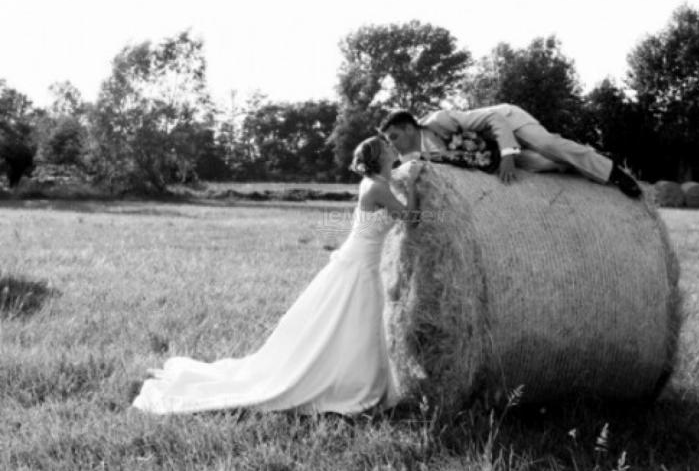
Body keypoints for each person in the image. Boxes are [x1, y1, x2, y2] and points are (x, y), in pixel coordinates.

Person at [132, 136, 420, 415]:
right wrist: (417, 183)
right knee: (356, 322)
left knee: (353, 323)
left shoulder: (377, 183)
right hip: (360, 264)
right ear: (379, 156)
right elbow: (412, 217)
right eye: (386, 145)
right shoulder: (376, 187)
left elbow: (395, 199)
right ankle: (353, 384)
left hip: (361, 261)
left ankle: (357, 380)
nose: (390, 146)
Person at [380, 105, 642, 197]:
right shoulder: (409, 159)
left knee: (548, 145)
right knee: (543, 164)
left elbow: (494, 119)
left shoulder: (439, 121)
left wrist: (508, 155)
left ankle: (613, 171)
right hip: (491, 151)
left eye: (394, 136)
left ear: (410, 128)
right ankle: (587, 159)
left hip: (507, 121)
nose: (392, 143)